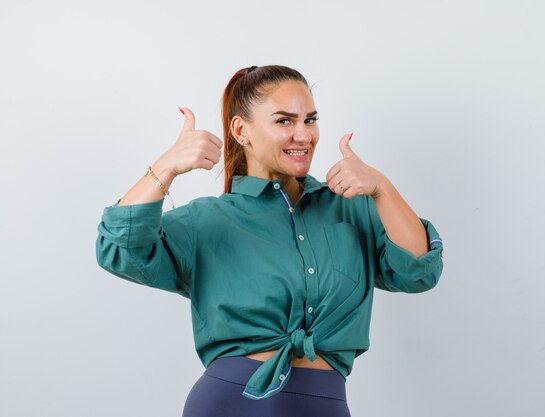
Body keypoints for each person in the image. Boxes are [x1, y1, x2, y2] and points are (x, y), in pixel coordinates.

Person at [95, 64, 444, 416]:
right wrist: (166, 166)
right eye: (284, 121)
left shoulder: (352, 208)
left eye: (309, 120)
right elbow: (119, 249)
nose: (303, 135)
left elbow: (419, 272)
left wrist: (382, 189)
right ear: (241, 130)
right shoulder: (207, 221)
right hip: (228, 404)